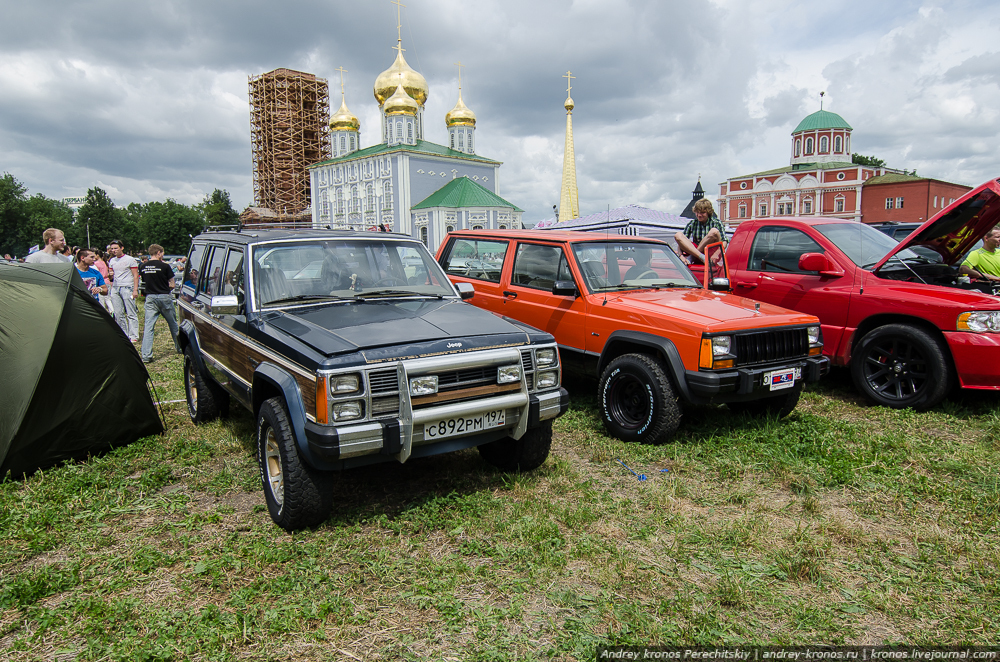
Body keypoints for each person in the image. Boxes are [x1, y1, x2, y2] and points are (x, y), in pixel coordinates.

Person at [138, 244, 181, 364]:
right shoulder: (165, 266)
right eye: (162, 253)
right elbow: (172, 284)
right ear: (158, 252)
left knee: (149, 326)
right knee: (173, 324)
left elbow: (145, 281)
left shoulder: (143, 266)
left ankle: (146, 355)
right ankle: (180, 347)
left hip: (150, 297)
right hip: (164, 296)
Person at [675, 199, 728, 264]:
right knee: (678, 235)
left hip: (710, 252)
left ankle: (692, 257)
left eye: (702, 213)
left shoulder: (717, 223)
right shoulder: (692, 223)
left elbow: (724, 242)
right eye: (697, 212)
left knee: (714, 231)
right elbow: (681, 242)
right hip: (697, 253)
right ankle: (699, 256)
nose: (699, 215)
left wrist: (717, 253)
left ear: (708, 212)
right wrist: (680, 255)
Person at [108, 240, 141, 342]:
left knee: (130, 312)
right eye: (112, 248)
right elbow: (111, 275)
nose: (114, 250)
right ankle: (124, 333)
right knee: (118, 313)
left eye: (116, 248)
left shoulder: (130, 259)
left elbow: (135, 275)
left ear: (121, 248)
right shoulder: (112, 261)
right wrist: (110, 276)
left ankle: (134, 335)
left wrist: (135, 290)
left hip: (127, 287)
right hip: (116, 287)